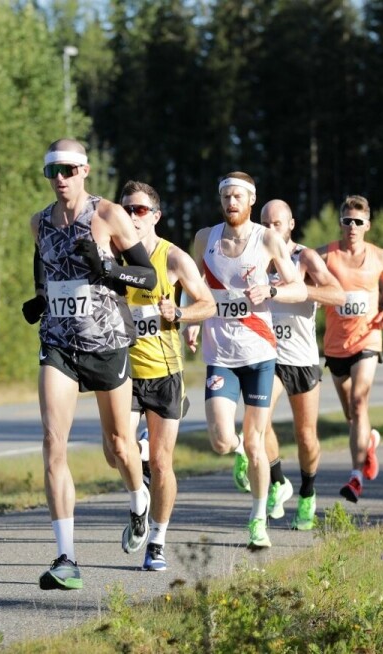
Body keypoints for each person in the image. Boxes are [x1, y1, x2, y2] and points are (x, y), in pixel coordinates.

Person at [22, 139, 158, 591]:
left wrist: (105, 270)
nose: (59, 178)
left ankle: (139, 502)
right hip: (58, 342)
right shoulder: (39, 222)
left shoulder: (108, 216)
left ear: (84, 170)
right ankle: (66, 557)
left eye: (66, 169)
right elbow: (43, 270)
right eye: (51, 171)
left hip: (106, 341)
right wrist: (39, 301)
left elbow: (147, 276)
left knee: (120, 445)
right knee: (52, 442)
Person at [186, 172, 308, 549]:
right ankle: (238, 450)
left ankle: (258, 521)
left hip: (259, 355)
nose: (231, 203)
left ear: (250, 200)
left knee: (257, 444)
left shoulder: (267, 238)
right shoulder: (205, 238)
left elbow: (298, 286)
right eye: (225, 197)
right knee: (223, 440)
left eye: (237, 196)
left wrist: (271, 288)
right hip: (221, 355)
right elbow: (192, 284)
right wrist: (190, 319)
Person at [114, 180, 216, 571]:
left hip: (164, 372)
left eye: (140, 210)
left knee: (160, 462)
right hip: (123, 369)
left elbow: (206, 304)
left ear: (155, 216)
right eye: (126, 209)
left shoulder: (172, 258)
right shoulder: (114, 256)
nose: (132, 216)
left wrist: (180, 314)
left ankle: (156, 540)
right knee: (115, 450)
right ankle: (138, 502)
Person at [258, 200, 345, 530]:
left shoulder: (304, 257)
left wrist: (298, 289)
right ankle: (278, 481)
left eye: (276, 223)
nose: (270, 229)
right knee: (258, 420)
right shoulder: (255, 256)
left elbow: (337, 295)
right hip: (268, 356)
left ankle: (308, 493)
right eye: (265, 223)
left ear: (291, 224)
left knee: (306, 436)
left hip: (303, 359)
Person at [318, 195, 383, 503]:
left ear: (368, 225)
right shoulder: (326, 255)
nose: (352, 227)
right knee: (351, 414)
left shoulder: (380, 257)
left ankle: (354, 478)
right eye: (347, 221)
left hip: (367, 339)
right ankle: (369, 443)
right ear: (341, 223)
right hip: (336, 346)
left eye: (358, 222)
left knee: (358, 401)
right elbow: (296, 265)